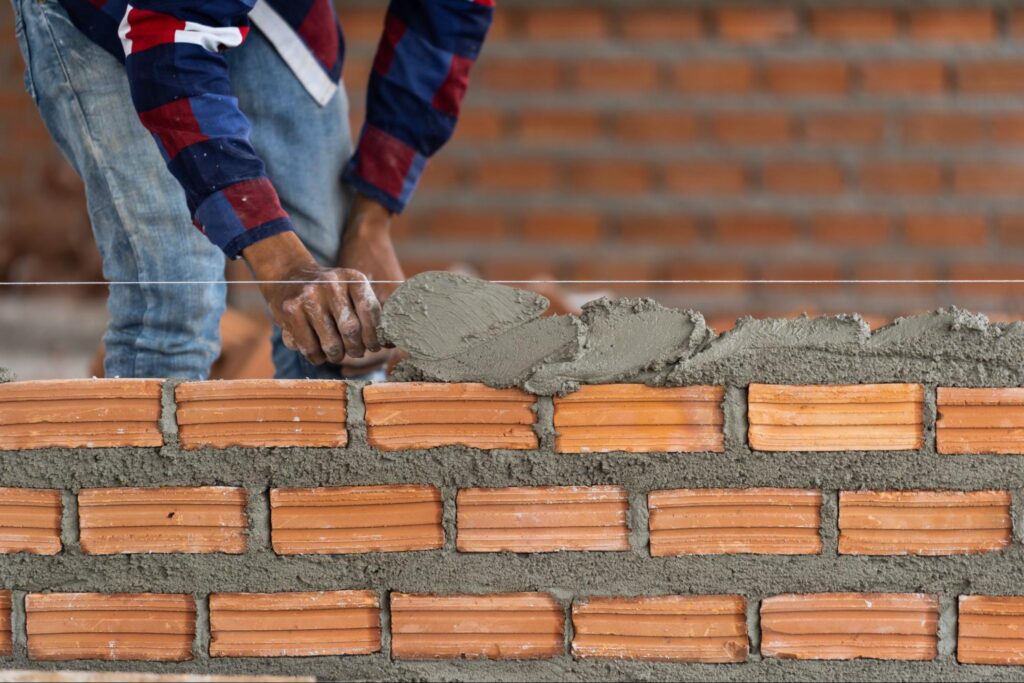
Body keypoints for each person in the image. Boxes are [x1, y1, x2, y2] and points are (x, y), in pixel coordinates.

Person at [10, 0, 493, 379]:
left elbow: (442, 28)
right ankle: (155, 501)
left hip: (269, 12)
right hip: (118, 11)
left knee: (337, 309)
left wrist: (371, 222)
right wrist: (282, 265)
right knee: (176, 298)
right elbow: (170, 45)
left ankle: (329, 497)